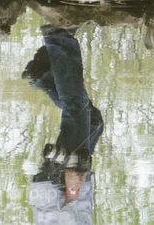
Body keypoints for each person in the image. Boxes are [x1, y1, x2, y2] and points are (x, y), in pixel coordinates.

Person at [22, 25, 104, 225]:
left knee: (76, 110)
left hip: (61, 187)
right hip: (61, 187)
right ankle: (43, 77)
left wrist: (71, 189)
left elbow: (65, 215)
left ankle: (58, 36)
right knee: (94, 123)